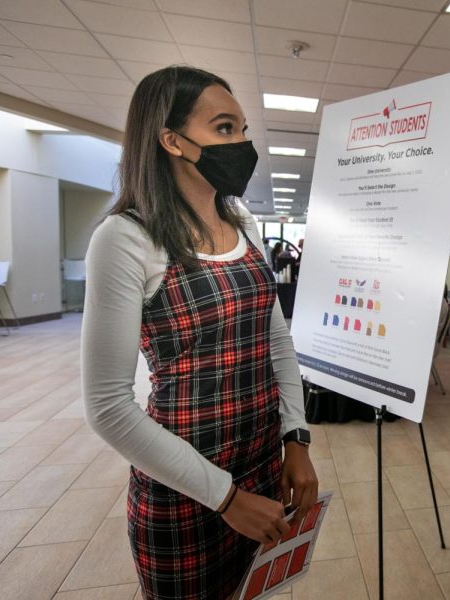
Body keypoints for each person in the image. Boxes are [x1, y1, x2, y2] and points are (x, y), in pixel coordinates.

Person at [81, 66, 318, 600]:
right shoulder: (127, 238)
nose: (243, 143)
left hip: (262, 467)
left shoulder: (243, 223)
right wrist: (227, 499)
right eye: (225, 128)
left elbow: (275, 340)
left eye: (242, 129)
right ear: (173, 141)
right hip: (184, 487)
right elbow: (107, 407)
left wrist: (296, 439)